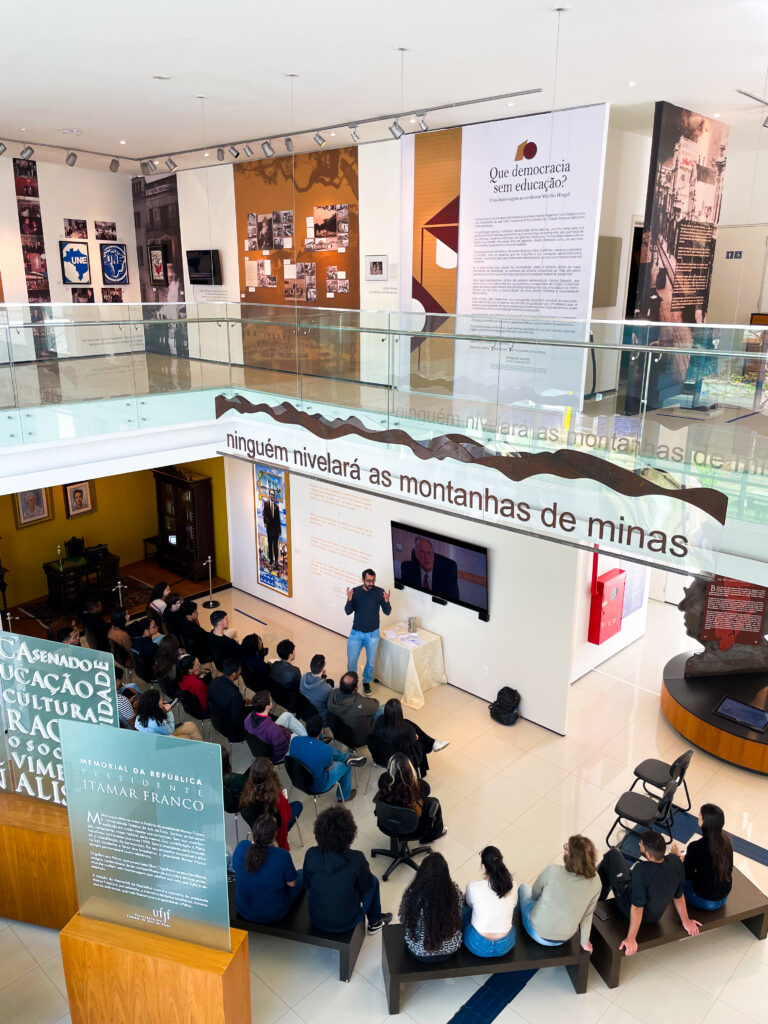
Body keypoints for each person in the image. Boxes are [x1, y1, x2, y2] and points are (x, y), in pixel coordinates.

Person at [598, 830, 701, 956]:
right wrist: (686, 920)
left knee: (612, 854)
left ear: (648, 855)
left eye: (640, 844)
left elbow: (636, 908)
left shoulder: (641, 870)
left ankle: (597, 900)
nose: (639, 844)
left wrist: (631, 938)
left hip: (630, 907)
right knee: (626, 872)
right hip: (655, 916)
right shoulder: (676, 862)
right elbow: (678, 895)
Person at [302, 805, 393, 934]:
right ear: (350, 834)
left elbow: (306, 882)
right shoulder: (357, 858)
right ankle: (375, 923)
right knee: (374, 881)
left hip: (317, 918)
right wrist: (366, 873)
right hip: (347, 922)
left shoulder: (311, 853)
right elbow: (367, 886)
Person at [518, 835, 601, 950]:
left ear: (570, 857)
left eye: (566, 848)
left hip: (537, 932)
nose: (564, 849)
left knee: (523, 888)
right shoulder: (596, 882)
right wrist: (584, 942)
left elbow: (534, 894)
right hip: (565, 938)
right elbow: (587, 914)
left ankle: (516, 930)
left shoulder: (553, 871)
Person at [233, 813, 302, 923]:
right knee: (301, 874)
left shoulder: (241, 846)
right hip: (273, 913)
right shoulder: (282, 855)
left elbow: (236, 869)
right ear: (274, 834)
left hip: (243, 909)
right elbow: (291, 883)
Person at [399, 853, 464, 962]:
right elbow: (459, 913)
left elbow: (406, 921)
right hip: (450, 950)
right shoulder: (454, 893)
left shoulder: (413, 895)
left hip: (419, 951)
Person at [671, 804, 733, 910]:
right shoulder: (727, 841)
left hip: (706, 900)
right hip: (724, 895)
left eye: (700, 815)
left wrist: (678, 857)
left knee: (673, 875)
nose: (697, 816)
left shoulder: (696, 846)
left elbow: (686, 875)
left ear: (705, 822)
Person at [290, 715, 366, 802]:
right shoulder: (325, 749)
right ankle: (344, 797)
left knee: (330, 752)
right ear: (321, 731)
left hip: (298, 779)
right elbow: (329, 767)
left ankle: (346, 757)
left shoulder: (295, 740)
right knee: (346, 766)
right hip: (318, 786)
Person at [375, 752, 445, 841]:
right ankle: (434, 834)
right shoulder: (421, 785)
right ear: (410, 769)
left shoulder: (383, 780)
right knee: (433, 801)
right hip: (414, 829)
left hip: (387, 825)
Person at [463, 846, 518, 957]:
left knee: (465, 910)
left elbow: (468, 905)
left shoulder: (473, 886)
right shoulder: (512, 885)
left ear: (483, 866)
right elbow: (515, 904)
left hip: (477, 945)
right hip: (505, 945)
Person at [238, 757, 302, 850]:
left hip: (257, 828)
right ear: (271, 777)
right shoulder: (277, 799)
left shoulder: (247, 788)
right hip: (274, 832)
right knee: (298, 805)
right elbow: (285, 820)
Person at [344, 568, 391, 694]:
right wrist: (349, 600)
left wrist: (387, 602)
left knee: (370, 662)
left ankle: (366, 682)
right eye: (368, 581)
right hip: (356, 633)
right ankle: (352, 684)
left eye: (373, 581)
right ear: (362, 579)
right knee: (352, 661)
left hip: (373, 634)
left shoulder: (379, 592)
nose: (371, 583)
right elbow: (348, 611)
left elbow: (387, 612)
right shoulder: (356, 592)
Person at [373, 698, 448, 776]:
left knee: (407, 721)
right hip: (402, 756)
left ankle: (433, 743)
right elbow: (414, 739)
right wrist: (415, 737)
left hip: (384, 755)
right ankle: (432, 743)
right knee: (420, 742)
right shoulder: (406, 728)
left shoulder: (379, 721)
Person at [245, 690, 307, 763]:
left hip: (267, 739)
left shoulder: (248, 718)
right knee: (295, 736)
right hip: (276, 756)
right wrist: (287, 733)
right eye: (271, 700)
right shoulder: (274, 730)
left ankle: (306, 736)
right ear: (268, 707)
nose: (272, 700)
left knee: (287, 715)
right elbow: (281, 750)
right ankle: (307, 740)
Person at [327, 671, 381, 746]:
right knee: (382, 709)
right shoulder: (360, 703)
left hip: (342, 734)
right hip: (360, 740)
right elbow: (376, 704)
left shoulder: (332, 694)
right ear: (355, 689)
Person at [400, 536, 460, 602]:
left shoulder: (447, 575)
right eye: (421, 552)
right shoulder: (407, 568)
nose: (426, 557)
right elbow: (405, 595)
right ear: (416, 554)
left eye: (429, 553)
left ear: (433, 554)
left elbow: (453, 602)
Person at [208, 659, 250, 742]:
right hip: (232, 730)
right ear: (234, 674)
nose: (240, 674)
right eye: (239, 672)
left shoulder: (214, 682)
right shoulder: (235, 696)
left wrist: (241, 702)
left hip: (216, 720)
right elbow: (237, 720)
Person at [300, 653, 334, 724]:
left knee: (329, 681)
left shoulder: (303, 677)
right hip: (319, 719)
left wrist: (323, 676)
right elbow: (329, 705)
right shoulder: (327, 689)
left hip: (304, 712)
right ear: (323, 667)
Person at [262, 489, 282, 568]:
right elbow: (264, 515)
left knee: (275, 547)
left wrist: (279, 531)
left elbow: (278, 520)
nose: (272, 496)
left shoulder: (277, 507)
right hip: (269, 529)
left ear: (274, 496)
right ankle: (271, 560)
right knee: (270, 545)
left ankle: (276, 561)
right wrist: (265, 523)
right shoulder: (266, 504)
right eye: (271, 494)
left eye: (273, 495)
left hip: (276, 530)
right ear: (269, 495)